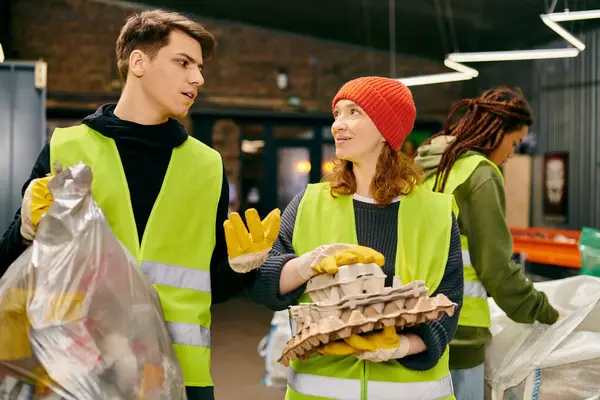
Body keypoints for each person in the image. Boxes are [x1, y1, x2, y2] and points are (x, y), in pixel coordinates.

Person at [0, 9, 279, 400]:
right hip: (82, 376)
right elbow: (10, 264)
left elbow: (208, 287)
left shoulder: (207, 166)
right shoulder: (68, 149)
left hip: (182, 379)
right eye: (183, 62)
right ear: (138, 62)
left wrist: (239, 269)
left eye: (199, 67)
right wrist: (26, 229)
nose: (197, 78)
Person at [224, 76, 464, 400]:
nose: (338, 124)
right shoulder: (308, 204)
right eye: (337, 113)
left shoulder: (436, 214)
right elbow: (265, 289)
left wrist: (401, 346)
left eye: (354, 112)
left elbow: (447, 306)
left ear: (385, 129)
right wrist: (303, 266)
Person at [414, 87, 560, 400]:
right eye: (514, 143)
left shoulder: (430, 169)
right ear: (495, 133)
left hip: (414, 328)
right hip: (460, 333)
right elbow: (496, 268)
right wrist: (546, 312)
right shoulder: (479, 174)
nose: (512, 154)